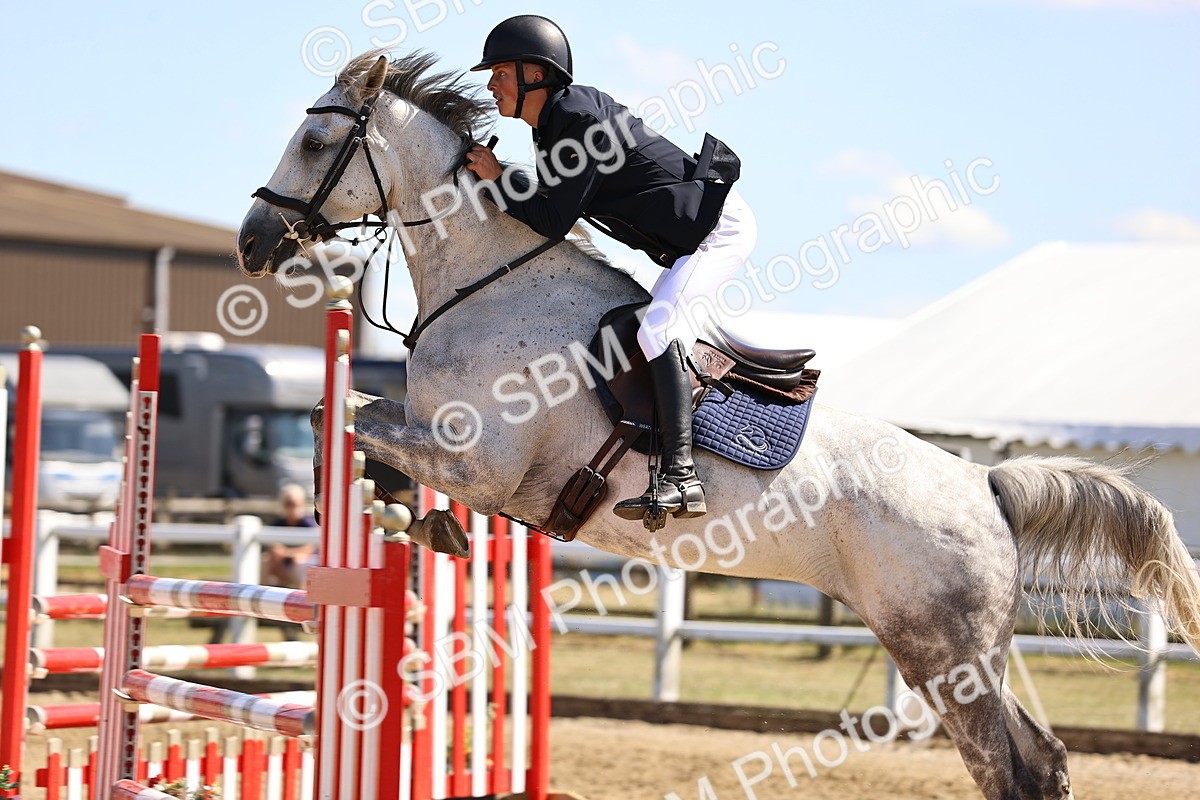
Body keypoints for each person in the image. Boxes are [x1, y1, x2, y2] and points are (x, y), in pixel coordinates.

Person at [466, 14, 757, 524]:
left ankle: (683, 478)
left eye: (500, 73)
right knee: (647, 328)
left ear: (536, 74)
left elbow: (552, 220)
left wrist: (495, 179)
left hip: (717, 230)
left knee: (659, 331)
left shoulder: (577, 118)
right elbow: (548, 207)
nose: (491, 85)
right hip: (691, 241)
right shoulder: (551, 126)